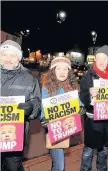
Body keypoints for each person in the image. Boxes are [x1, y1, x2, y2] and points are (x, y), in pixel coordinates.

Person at [0, 40, 41, 171]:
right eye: (4, 54)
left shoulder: (30, 79)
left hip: (14, 137)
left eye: (12, 55)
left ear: (19, 58)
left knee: (13, 167)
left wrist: (31, 107)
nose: (7, 59)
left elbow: (37, 104)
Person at [40, 56, 85, 171]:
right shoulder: (46, 88)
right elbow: (44, 107)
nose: (62, 72)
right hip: (54, 129)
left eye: (65, 69)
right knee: (60, 166)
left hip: (67, 127)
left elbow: (78, 103)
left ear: (69, 72)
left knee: (56, 162)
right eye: (58, 68)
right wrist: (44, 119)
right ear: (53, 70)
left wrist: (81, 109)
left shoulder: (73, 86)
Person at [79, 45, 108, 171]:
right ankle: (85, 169)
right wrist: (89, 93)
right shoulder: (88, 76)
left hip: (107, 121)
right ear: (95, 59)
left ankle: (102, 168)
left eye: (105, 59)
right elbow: (82, 97)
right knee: (89, 149)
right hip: (93, 121)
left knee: (104, 149)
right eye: (99, 58)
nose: (101, 62)